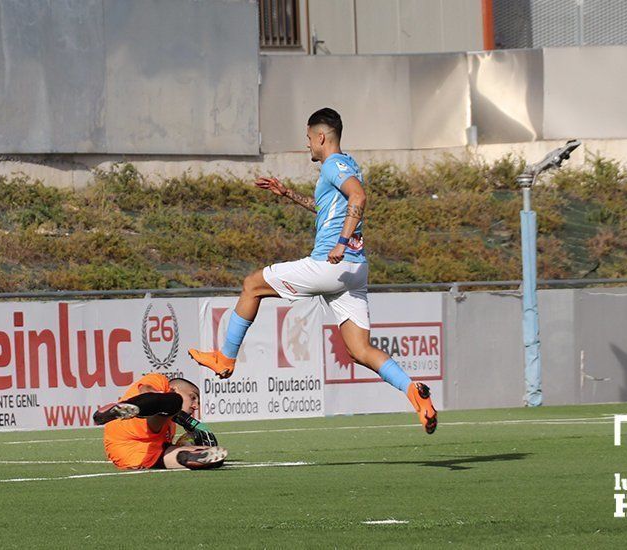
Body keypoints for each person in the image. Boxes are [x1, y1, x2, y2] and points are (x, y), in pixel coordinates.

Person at [189, 107, 437, 434]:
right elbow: (328, 208)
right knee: (359, 350)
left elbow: (358, 198)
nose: (307, 145)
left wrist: (342, 241)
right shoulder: (347, 164)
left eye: (308, 138)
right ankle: (413, 391)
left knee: (252, 285)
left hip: (331, 263)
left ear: (321, 137)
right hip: (354, 271)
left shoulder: (333, 165)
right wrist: (286, 193)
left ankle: (226, 358)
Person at [94, 373, 226, 469]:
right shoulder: (161, 381)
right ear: (174, 388)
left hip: (134, 456)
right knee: (174, 401)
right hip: (128, 429)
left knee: (215, 456)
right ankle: (124, 408)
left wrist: (188, 443)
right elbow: (145, 390)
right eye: (192, 397)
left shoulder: (171, 425)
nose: (196, 406)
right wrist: (158, 395)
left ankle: (183, 457)